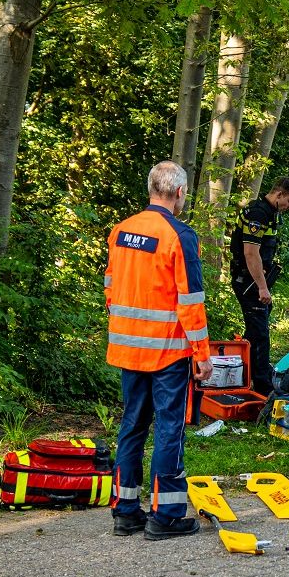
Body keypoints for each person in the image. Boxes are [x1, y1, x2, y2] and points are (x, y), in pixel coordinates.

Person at [105, 161, 215, 539]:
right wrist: (202, 354)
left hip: (126, 348)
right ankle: (165, 515)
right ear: (180, 193)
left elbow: (110, 287)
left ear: (152, 188)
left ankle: (126, 512)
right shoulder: (179, 236)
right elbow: (191, 301)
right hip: (168, 351)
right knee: (169, 429)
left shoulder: (121, 231)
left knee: (132, 426)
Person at [230, 176, 289, 396]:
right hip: (249, 281)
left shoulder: (270, 213)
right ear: (278, 194)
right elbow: (251, 254)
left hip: (256, 279)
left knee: (255, 330)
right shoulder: (258, 213)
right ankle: (262, 386)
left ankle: (247, 374)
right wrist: (262, 287)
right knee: (260, 333)